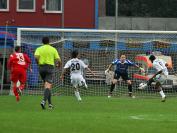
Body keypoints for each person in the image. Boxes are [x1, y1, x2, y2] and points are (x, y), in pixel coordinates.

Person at [34, 37, 61, 109]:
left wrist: (38, 63)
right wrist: (58, 65)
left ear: (42, 42)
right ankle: (43, 101)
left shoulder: (39, 48)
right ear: (49, 42)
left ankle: (50, 104)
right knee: (48, 86)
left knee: (47, 86)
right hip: (49, 68)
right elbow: (59, 60)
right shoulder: (53, 49)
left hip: (41, 68)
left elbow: (36, 57)